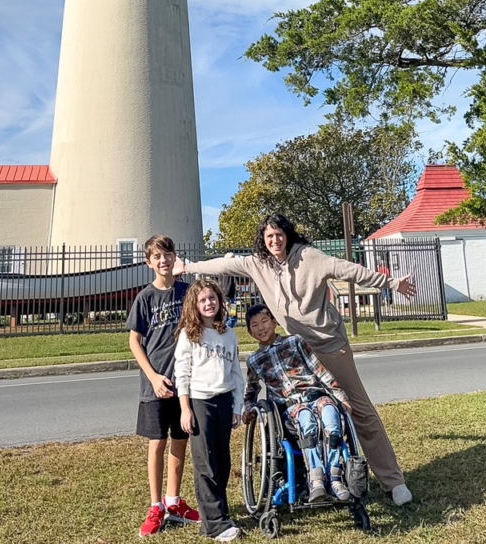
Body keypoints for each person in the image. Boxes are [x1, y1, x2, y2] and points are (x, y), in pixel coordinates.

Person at [175, 214, 416, 505]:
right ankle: (311, 477)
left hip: (328, 345)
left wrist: (390, 284)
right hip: (293, 350)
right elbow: (225, 264)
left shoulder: (310, 257)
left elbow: (348, 270)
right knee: (297, 413)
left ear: (287, 235)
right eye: (269, 237)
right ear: (263, 241)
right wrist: (187, 266)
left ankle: (393, 481)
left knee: (359, 410)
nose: (274, 241)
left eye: (278, 234)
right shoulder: (258, 264)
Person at [127, 235, 201, 537]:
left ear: (175, 256)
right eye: (157, 256)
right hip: (156, 384)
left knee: (180, 440)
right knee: (156, 443)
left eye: (167, 254)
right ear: (149, 262)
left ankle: (174, 501)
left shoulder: (187, 292)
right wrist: (154, 377)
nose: (163, 260)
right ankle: (155, 505)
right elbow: (134, 341)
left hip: (185, 382)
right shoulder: (145, 297)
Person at [243, 303, 353, 503]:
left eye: (265, 321)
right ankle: (316, 478)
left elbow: (319, 370)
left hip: (315, 395)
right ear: (250, 333)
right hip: (290, 406)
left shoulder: (295, 343)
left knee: (330, 414)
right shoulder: (255, 360)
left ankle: (336, 478)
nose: (261, 328)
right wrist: (249, 408)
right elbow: (251, 390)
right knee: (307, 420)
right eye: (255, 325)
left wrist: (341, 396)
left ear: (275, 322)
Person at [173, 279, 245, 542]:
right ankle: (215, 526)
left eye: (212, 298)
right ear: (194, 304)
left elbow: (236, 373)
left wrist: (237, 406)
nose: (208, 303)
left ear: (220, 301)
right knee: (206, 464)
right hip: (200, 402)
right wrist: (185, 408)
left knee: (223, 463)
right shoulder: (189, 334)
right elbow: (182, 373)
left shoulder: (228, 333)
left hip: (224, 400)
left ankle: (220, 513)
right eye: (203, 300)